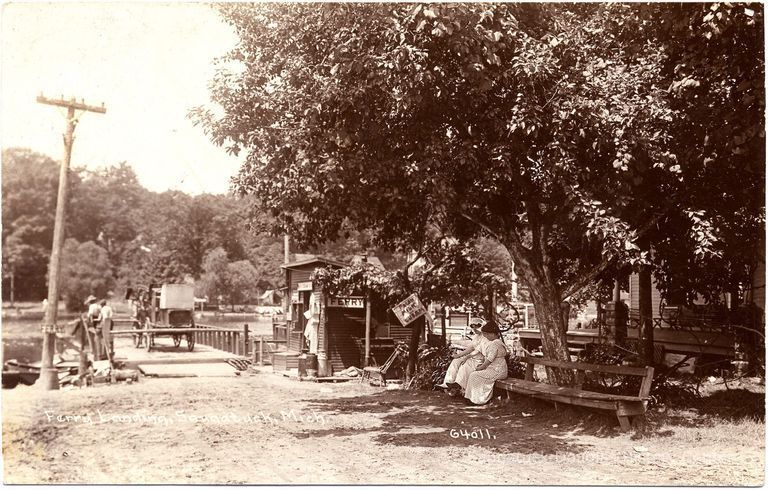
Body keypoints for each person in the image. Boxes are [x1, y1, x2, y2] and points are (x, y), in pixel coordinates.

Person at [464, 320, 509, 405]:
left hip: (497, 371)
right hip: (499, 369)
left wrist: (480, 368)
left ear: (492, 334)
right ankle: (472, 398)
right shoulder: (499, 342)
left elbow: (488, 361)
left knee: (474, 375)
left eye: (487, 334)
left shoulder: (494, 344)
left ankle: (478, 399)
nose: (486, 336)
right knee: (474, 374)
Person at [436, 321, 487, 389]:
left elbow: (477, 350)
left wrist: (464, 356)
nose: (474, 330)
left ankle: (459, 384)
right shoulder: (476, 336)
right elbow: (470, 347)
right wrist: (458, 356)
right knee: (456, 361)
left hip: (480, 360)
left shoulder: (485, 337)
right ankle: (447, 382)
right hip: (473, 357)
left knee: (465, 363)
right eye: (473, 328)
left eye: (476, 328)